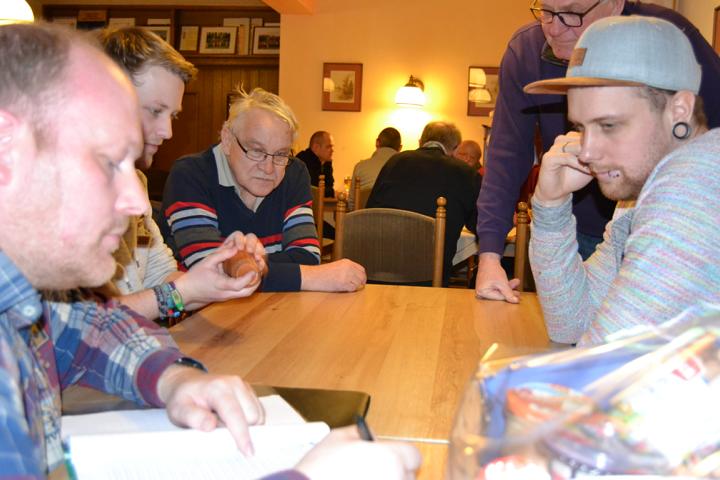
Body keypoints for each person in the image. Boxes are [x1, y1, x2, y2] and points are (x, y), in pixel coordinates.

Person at [0, 23, 418, 479]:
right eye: (108, 162)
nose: (139, 201)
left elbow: (90, 329)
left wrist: (174, 377)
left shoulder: (29, 296)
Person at [474, 0, 720, 304]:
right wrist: (492, 251)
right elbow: (506, 154)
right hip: (594, 228)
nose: (553, 28)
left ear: (614, 4)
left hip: (669, 218)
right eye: (546, 11)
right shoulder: (526, 50)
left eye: (609, 124)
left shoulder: (668, 37)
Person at [523, 16, 718, 346]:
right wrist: (550, 204)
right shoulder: (635, 197)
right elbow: (572, 324)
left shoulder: (697, 183)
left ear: (680, 110)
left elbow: (608, 364)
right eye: (581, 127)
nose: (586, 152)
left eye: (609, 126)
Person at [96, 27, 264, 322]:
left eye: (172, 115)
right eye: (155, 111)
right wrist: (184, 291)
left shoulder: (136, 183)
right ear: (105, 100)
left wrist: (221, 272)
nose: (168, 132)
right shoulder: (63, 192)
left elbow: (161, 276)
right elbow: (80, 322)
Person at [161, 88, 366, 293]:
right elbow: (209, 271)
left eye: (281, 154)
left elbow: (307, 257)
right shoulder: (191, 174)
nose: (268, 169)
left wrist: (242, 264)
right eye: (256, 151)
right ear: (227, 139)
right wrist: (312, 277)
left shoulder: (294, 173)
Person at [366, 121, 481, 286]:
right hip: (431, 273)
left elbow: (370, 211)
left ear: (421, 142)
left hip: (383, 267)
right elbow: (478, 224)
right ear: (455, 149)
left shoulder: (395, 161)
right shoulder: (466, 173)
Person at [348, 127, 402, 210]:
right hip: (394, 217)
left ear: (377, 142)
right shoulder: (406, 169)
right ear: (400, 147)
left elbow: (352, 204)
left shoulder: (360, 167)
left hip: (365, 217)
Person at [296, 130, 335, 198]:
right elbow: (313, 192)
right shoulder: (302, 162)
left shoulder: (325, 162)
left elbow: (330, 191)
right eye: (328, 147)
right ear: (316, 147)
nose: (332, 150)